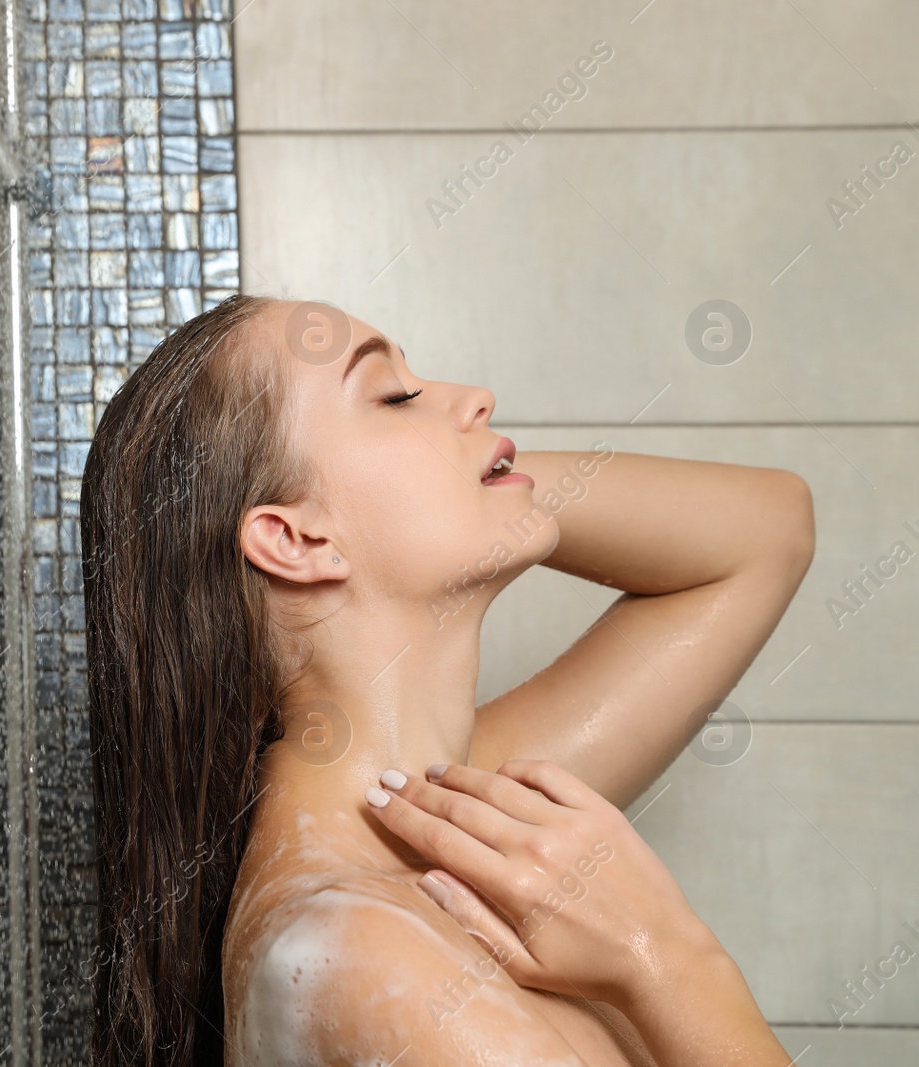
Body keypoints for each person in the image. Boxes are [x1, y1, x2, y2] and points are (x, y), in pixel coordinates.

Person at [79, 295, 814, 1066]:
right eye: (394, 396)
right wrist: (670, 959)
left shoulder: (441, 817)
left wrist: (483, 477)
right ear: (294, 538)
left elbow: (769, 526)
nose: (475, 398)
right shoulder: (362, 955)